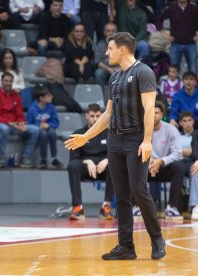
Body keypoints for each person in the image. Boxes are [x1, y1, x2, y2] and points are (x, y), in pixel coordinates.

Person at [65, 32, 166, 260]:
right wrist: (86, 137)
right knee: (120, 195)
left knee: (138, 190)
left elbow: (150, 108)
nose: (107, 53)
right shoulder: (114, 78)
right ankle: (126, 246)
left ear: (122, 49)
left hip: (136, 139)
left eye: (110, 48)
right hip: (115, 140)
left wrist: (147, 140)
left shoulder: (144, 72)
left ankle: (157, 238)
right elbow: (108, 114)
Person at [67, 103, 114, 221]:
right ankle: (77, 207)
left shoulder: (110, 133)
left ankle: (106, 206)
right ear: (86, 116)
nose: (95, 119)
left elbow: (117, 155)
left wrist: (108, 160)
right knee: (73, 166)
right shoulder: (78, 133)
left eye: (98, 116)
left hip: (103, 168)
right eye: (92, 116)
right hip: (85, 168)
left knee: (114, 166)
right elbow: (73, 158)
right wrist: (87, 161)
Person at [0, 71, 39, 168]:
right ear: (2, 82)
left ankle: (26, 158)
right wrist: (9, 123)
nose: (8, 83)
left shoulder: (16, 96)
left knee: (35, 130)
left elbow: (19, 114)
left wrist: (21, 123)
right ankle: (1, 159)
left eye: (10, 81)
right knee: (4, 129)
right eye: (6, 81)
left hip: (15, 125)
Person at [147, 101, 184, 220]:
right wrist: (150, 161)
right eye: (151, 113)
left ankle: (171, 208)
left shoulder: (171, 129)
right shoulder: (141, 129)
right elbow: (135, 150)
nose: (153, 116)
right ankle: (135, 207)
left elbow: (178, 153)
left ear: (162, 114)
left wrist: (160, 161)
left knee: (179, 166)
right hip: (146, 167)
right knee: (132, 165)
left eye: (156, 113)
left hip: (164, 167)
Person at [26, 83, 63, 169]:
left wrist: (48, 125)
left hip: (48, 128)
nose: (51, 97)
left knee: (52, 133)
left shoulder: (52, 107)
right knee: (43, 134)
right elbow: (29, 123)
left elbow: (56, 122)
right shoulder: (32, 109)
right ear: (41, 98)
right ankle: (43, 159)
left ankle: (54, 158)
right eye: (48, 95)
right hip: (39, 129)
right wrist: (39, 125)